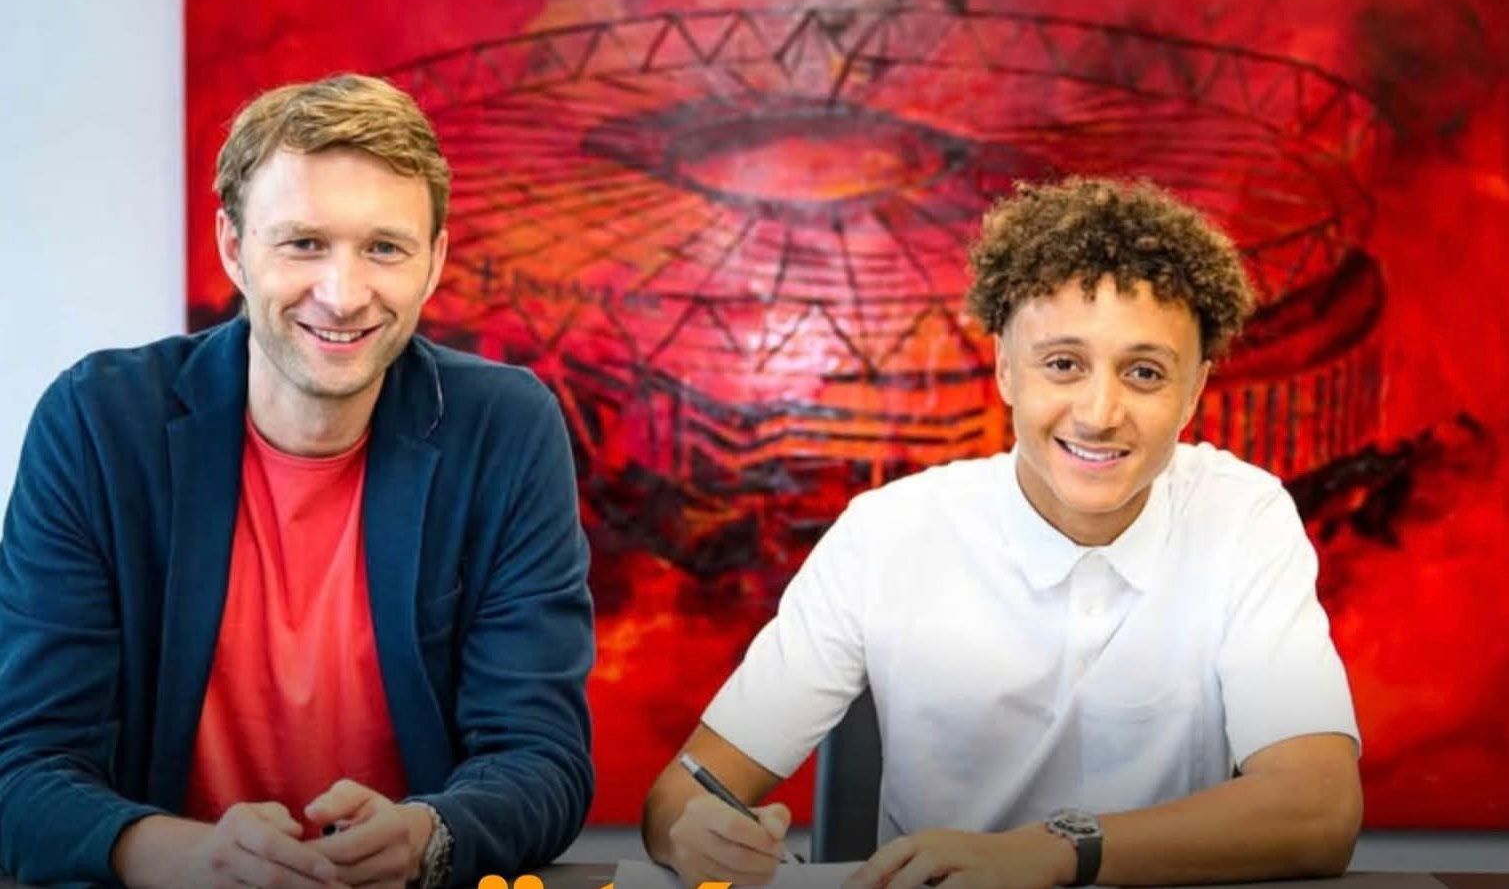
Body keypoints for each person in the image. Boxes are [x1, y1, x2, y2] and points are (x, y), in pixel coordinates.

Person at [641, 178, 1362, 889]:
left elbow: (1319, 810)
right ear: (1005, 369)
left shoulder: (1242, 516)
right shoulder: (886, 534)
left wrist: (1055, 851)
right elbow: (679, 797)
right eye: (1062, 365)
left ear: (1193, 390)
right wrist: (698, 836)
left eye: (1144, 373)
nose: (1099, 413)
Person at [0, 74, 594, 888]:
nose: (343, 295)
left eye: (383, 248)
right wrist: (189, 856)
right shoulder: (96, 426)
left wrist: (430, 836)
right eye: (304, 243)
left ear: (433, 262)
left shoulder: (507, 428)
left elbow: (542, 757)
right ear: (233, 248)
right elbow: (25, 767)